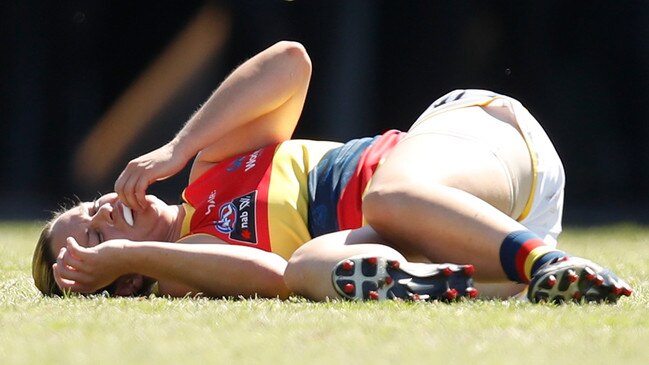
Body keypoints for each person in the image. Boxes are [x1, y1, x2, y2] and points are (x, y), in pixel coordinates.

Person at [32, 40, 632, 304]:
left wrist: (179, 148)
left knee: (388, 198)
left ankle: (547, 265)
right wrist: (136, 260)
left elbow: (291, 64)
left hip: (480, 148)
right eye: (95, 239)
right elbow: (272, 276)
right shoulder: (187, 267)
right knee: (310, 268)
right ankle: (470, 283)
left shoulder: (206, 171)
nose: (102, 211)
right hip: (480, 235)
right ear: (127, 278)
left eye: (88, 211)